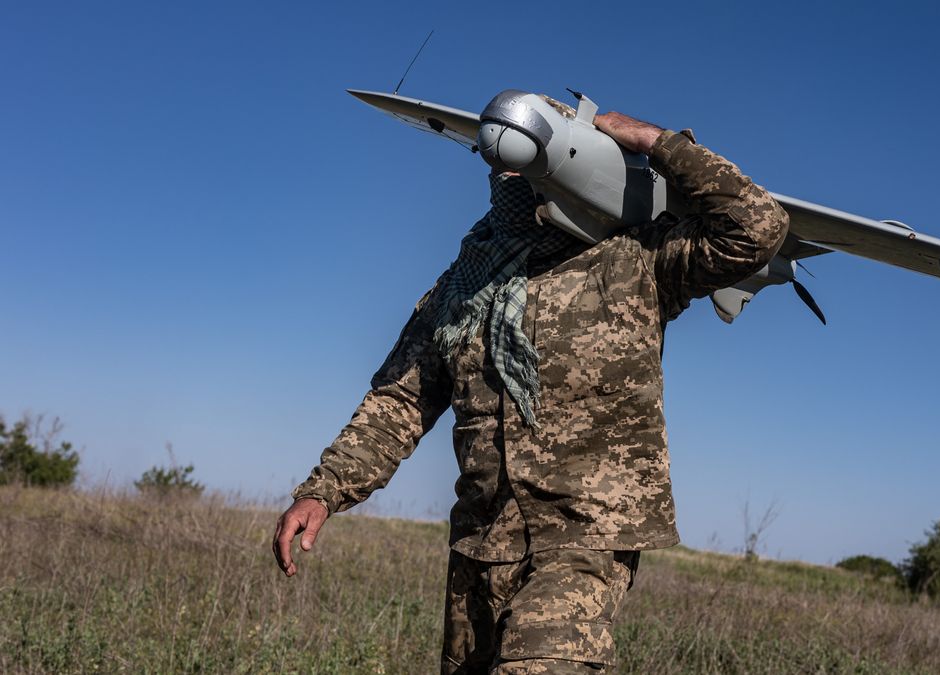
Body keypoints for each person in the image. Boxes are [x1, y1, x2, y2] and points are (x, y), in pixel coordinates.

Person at [273, 107, 788, 674]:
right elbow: (400, 399)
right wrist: (324, 491)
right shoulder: (462, 286)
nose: (512, 173)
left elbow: (757, 225)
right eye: (503, 163)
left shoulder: (636, 260)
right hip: (480, 544)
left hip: (582, 539)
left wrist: (656, 140)